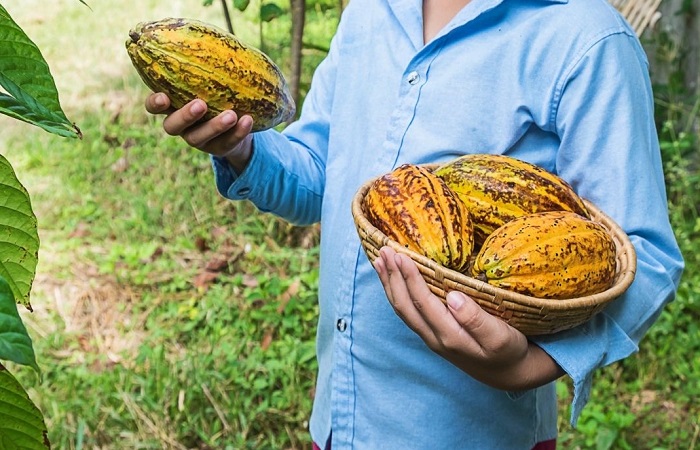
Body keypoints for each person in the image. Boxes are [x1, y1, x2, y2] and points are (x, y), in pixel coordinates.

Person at [144, 0, 684, 448]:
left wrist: (529, 366)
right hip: (341, 421)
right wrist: (242, 150)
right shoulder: (371, 12)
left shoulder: (583, 36)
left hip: (470, 434)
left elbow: (643, 254)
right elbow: (323, 177)